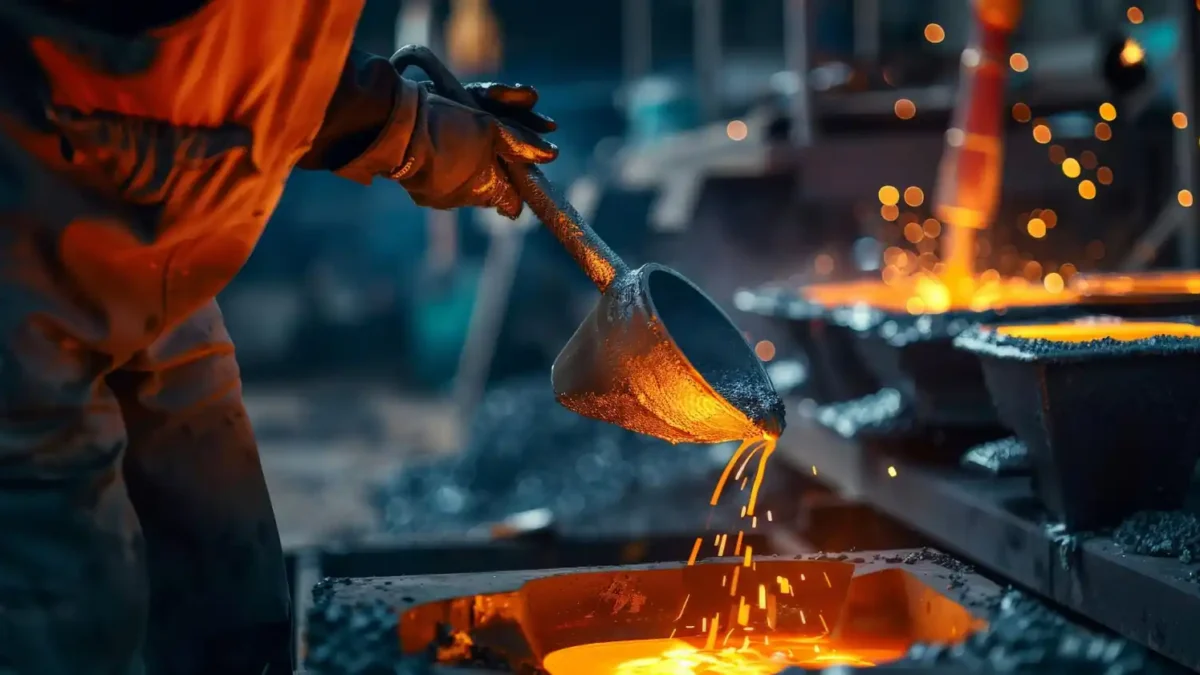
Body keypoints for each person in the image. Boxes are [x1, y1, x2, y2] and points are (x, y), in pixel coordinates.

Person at [0, 1, 557, 674]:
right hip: (24, 257)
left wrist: (400, 124)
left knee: (232, 587)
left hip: (166, 254)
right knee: (60, 611)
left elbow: (250, 53)